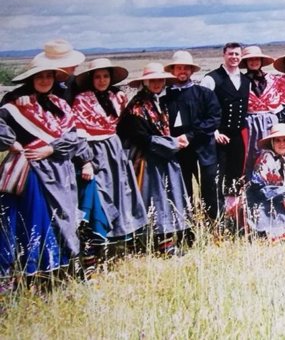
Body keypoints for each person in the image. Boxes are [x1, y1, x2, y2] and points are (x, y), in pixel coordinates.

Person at [0, 60, 82, 280]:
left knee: (61, 217)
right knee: (35, 219)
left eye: (49, 76)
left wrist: (51, 148)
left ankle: (56, 270)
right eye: (39, 77)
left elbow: (72, 138)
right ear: (31, 79)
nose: (45, 80)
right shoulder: (16, 105)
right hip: (31, 172)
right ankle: (29, 271)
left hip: (58, 171)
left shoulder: (60, 104)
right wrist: (12, 143)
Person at [71, 58, 148, 273]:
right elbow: (78, 133)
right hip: (94, 152)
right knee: (99, 198)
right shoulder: (81, 99)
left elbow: (124, 124)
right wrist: (85, 160)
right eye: (98, 76)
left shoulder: (118, 97)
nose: (102, 80)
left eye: (105, 76)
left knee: (121, 195)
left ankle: (118, 245)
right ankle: (90, 255)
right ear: (91, 79)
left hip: (114, 150)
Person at [117, 63, 190, 256]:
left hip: (161, 156)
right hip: (145, 160)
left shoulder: (160, 102)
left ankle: (162, 242)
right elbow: (142, 138)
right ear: (145, 82)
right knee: (154, 198)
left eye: (160, 80)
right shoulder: (137, 107)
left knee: (166, 197)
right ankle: (155, 244)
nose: (157, 83)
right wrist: (173, 143)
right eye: (153, 80)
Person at [163, 50, 221, 223]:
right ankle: (186, 226)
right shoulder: (165, 97)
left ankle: (212, 223)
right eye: (179, 68)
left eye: (186, 68)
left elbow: (214, 119)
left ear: (192, 71)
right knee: (182, 188)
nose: (182, 71)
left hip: (205, 149)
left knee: (209, 187)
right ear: (173, 70)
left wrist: (191, 135)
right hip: (179, 150)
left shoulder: (204, 93)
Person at [200, 43, 251, 211]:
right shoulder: (211, 79)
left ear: (241, 56)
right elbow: (201, 109)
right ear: (224, 55)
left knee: (235, 177)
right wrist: (213, 132)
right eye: (230, 54)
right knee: (214, 178)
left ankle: (232, 214)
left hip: (237, 137)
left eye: (237, 54)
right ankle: (213, 215)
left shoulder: (246, 80)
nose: (234, 57)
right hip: (217, 137)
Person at [1, 39, 85, 106]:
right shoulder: (36, 85)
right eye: (71, 64)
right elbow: (11, 98)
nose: (76, 66)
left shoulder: (76, 83)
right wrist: (18, 98)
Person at [240, 45, 281, 178]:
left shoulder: (272, 79)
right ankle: (249, 185)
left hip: (270, 121)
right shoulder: (240, 80)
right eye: (250, 59)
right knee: (249, 153)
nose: (254, 62)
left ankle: (272, 182)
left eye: (256, 59)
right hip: (250, 122)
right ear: (245, 62)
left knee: (271, 151)